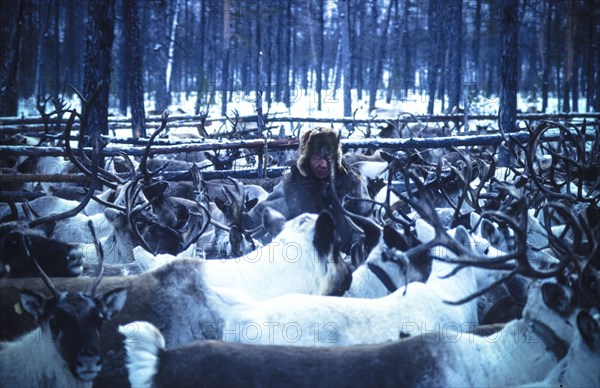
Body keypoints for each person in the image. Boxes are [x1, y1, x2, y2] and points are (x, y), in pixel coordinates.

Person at [244, 127, 372, 254]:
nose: (323, 164)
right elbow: (266, 211)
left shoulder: (351, 182)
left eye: (329, 157)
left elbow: (367, 220)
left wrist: (358, 245)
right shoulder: (293, 185)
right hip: (304, 258)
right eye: (317, 157)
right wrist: (244, 224)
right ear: (307, 158)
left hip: (344, 258)